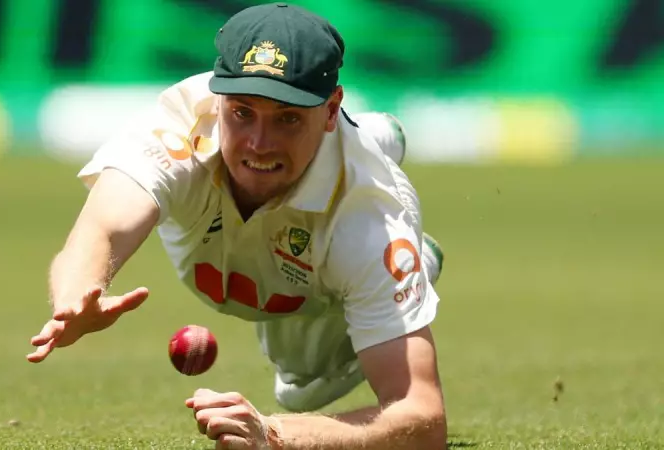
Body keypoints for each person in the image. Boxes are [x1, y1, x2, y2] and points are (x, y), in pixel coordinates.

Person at [26, 2, 447, 449]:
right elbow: (103, 228)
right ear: (217, 98)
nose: (259, 145)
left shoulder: (373, 223)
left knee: (302, 388)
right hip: (264, 259)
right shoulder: (179, 127)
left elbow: (422, 418)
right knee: (302, 386)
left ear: (329, 109)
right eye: (243, 112)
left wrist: (274, 435)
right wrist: (75, 296)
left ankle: (412, 254)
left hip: (315, 280)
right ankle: (368, 134)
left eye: (287, 117)